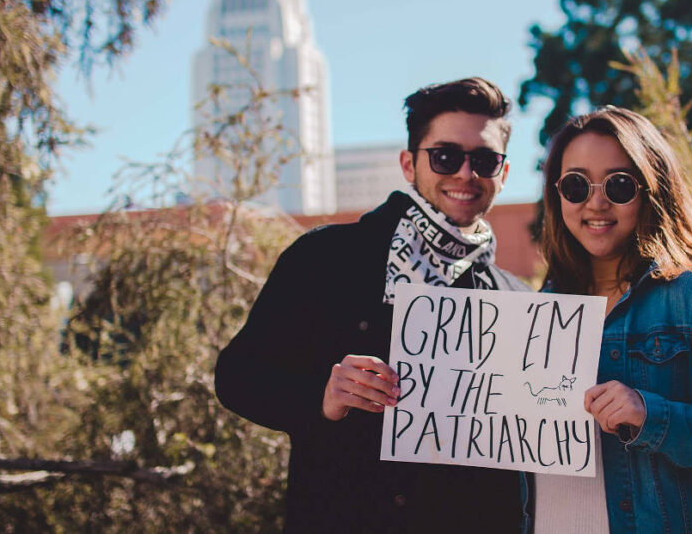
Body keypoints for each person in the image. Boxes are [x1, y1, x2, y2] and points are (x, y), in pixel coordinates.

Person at [215, 77, 530, 534]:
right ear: (409, 163)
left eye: (483, 159)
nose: (465, 173)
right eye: (445, 156)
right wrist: (321, 397)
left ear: (502, 173)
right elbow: (237, 376)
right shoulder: (325, 258)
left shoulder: (516, 300)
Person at [529, 106, 692, 534]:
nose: (596, 202)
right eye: (576, 185)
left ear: (652, 189)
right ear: (558, 196)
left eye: (619, 185)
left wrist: (651, 415)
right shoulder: (543, 308)